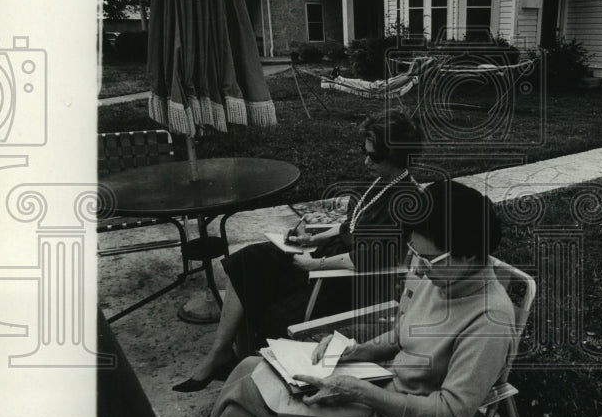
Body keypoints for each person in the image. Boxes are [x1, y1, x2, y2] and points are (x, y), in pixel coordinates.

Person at [185, 180, 517, 417]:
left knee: (248, 393)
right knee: (247, 372)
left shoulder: (489, 320)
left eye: (429, 259)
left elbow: (449, 416)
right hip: (370, 412)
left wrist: (360, 391)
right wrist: (354, 351)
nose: (418, 268)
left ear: (469, 255)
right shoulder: (444, 279)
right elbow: (401, 336)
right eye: (415, 255)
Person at [173, 110, 423, 391]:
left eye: (374, 156)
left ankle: (244, 370)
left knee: (275, 312)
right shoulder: (381, 181)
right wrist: (312, 238)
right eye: (364, 152)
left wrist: (314, 265)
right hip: (327, 256)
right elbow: (350, 227)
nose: (366, 161)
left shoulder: (406, 199)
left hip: (347, 280)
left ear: (396, 156)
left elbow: (367, 258)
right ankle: (221, 353)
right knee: (249, 259)